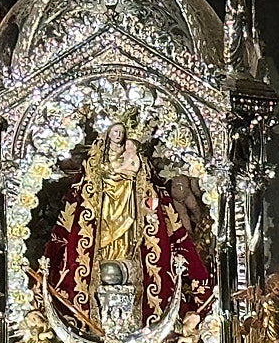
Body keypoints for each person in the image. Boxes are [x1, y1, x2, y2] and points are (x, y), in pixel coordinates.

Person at [45, 121, 212, 330]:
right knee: (106, 243)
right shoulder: (98, 165)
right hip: (106, 209)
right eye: (115, 132)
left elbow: (145, 190)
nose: (119, 139)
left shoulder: (137, 168)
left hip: (129, 209)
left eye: (122, 135)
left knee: (127, 241)